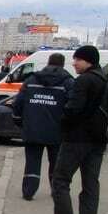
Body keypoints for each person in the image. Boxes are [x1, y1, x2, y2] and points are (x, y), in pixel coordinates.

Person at [44, 45, 108, 214]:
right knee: (91, 186)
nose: (74, 63)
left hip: (77, 139)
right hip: (98, 142)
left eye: (77, 59)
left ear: (88, 60)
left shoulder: (84, 81)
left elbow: (72, 110)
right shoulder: (106, 80)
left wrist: (63, 124)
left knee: (60, 181)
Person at [12, 53, 73, 200]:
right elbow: (72, 107)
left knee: (32, 162)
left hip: (33, 129)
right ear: (63, 65)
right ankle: (57, 191)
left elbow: (18, 103)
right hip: (57, 131)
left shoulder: (31, 80)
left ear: (48, 62)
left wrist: (19, 121)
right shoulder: (68, 83)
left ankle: (28, 191)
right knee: (56, 163)